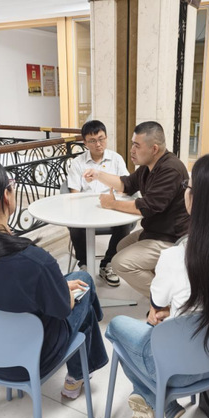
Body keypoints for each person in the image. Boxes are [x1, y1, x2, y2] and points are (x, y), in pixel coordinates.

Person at [105, 153, 209, 418]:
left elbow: (156, 306)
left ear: (196, 200)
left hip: (177, 369)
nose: (185, 192)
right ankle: (163, 403)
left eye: (187, 186)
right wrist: (176, 313)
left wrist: (163, 313)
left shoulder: (177, 257)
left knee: (116, 326)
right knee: (163, 321)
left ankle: (158, 399)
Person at [0, 158, 109, 399]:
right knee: (85, 283)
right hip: (29, 361)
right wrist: (65, 293)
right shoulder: (34, 262)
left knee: (74, 285)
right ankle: (79, 373)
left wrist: (59, 286)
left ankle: (83, 365)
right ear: (5, 196)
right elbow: (63, 309)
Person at [83, 121, 189, 299]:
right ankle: (161, 283)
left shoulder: (170, 169)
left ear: (154, 149)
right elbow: (127, 184)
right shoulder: (148, 167)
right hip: (155, 230)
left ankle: (168, 301)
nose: (132, 150)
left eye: (137, 145)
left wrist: (112, 204)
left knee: (120, 263)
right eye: (133, 144)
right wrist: (98, 174)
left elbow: (147, 207)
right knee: (121, 246)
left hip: (172, 237)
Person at [66, 120, 131, 286]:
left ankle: (107, 264)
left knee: (125, 224)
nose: (98, 144)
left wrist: (116, 197)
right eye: (92, 141)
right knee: (74, 225)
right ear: (85, 143)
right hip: (85, 210)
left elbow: (125, 187)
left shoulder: (116, 159)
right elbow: (74, 194)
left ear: (106, 137)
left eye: (101, 139)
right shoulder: (78, 163)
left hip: (111, 207)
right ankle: (84, 264)